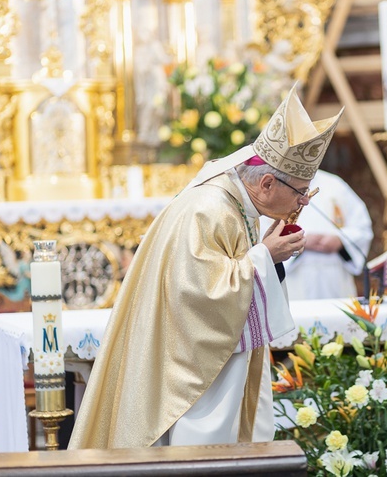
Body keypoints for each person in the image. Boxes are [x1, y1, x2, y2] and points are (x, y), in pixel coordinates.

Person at [69, 85, 343, 449]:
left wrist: (267, 255)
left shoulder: (237, 204)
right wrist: (265, 257)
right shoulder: (210, 209)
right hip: (192, 375)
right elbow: (197, 298)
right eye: (300, 192)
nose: (303, 202)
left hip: (214, 362)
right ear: (265, 182)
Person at [260, 169, 373, 300]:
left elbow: (362, 228)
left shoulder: (335, 184)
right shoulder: (276, 185)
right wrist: (299, 240)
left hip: (334, 277)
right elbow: (262, 233)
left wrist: (340, 240)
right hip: (294, 278)